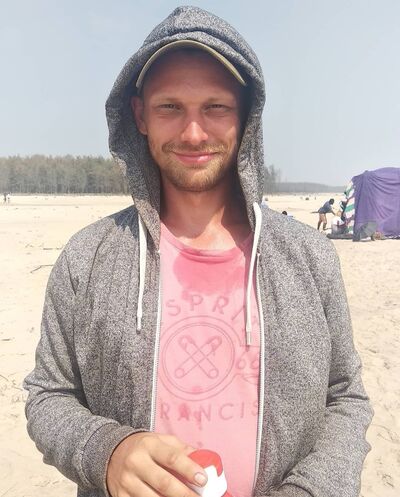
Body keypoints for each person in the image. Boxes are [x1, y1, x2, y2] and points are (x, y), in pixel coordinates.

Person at [24, 6, 372, 497]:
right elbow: (48, 395)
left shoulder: (309, 257)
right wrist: (107, 451)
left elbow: (346, 397)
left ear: (246, 117)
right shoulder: (87, 259)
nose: (193, 133)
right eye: (170, 107)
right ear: (140, 115)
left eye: (215, 107)